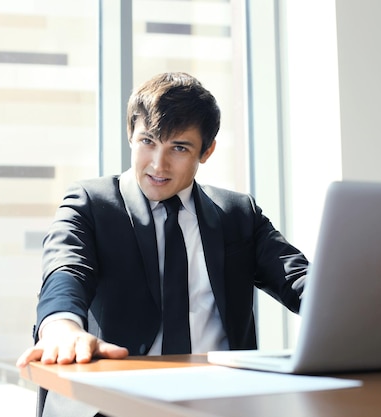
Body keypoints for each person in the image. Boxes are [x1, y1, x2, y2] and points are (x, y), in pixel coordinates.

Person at [16, 72, 309, 417]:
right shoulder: (90, 203)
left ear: (207, 151)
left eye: (179, 148)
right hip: (115, 403)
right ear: (131, 136)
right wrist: (61, 326)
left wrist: (365, 309)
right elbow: (65, 269)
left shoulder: (237, 213)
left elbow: (300, 281)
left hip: (220, 403)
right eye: (148, 142)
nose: (158, 164)